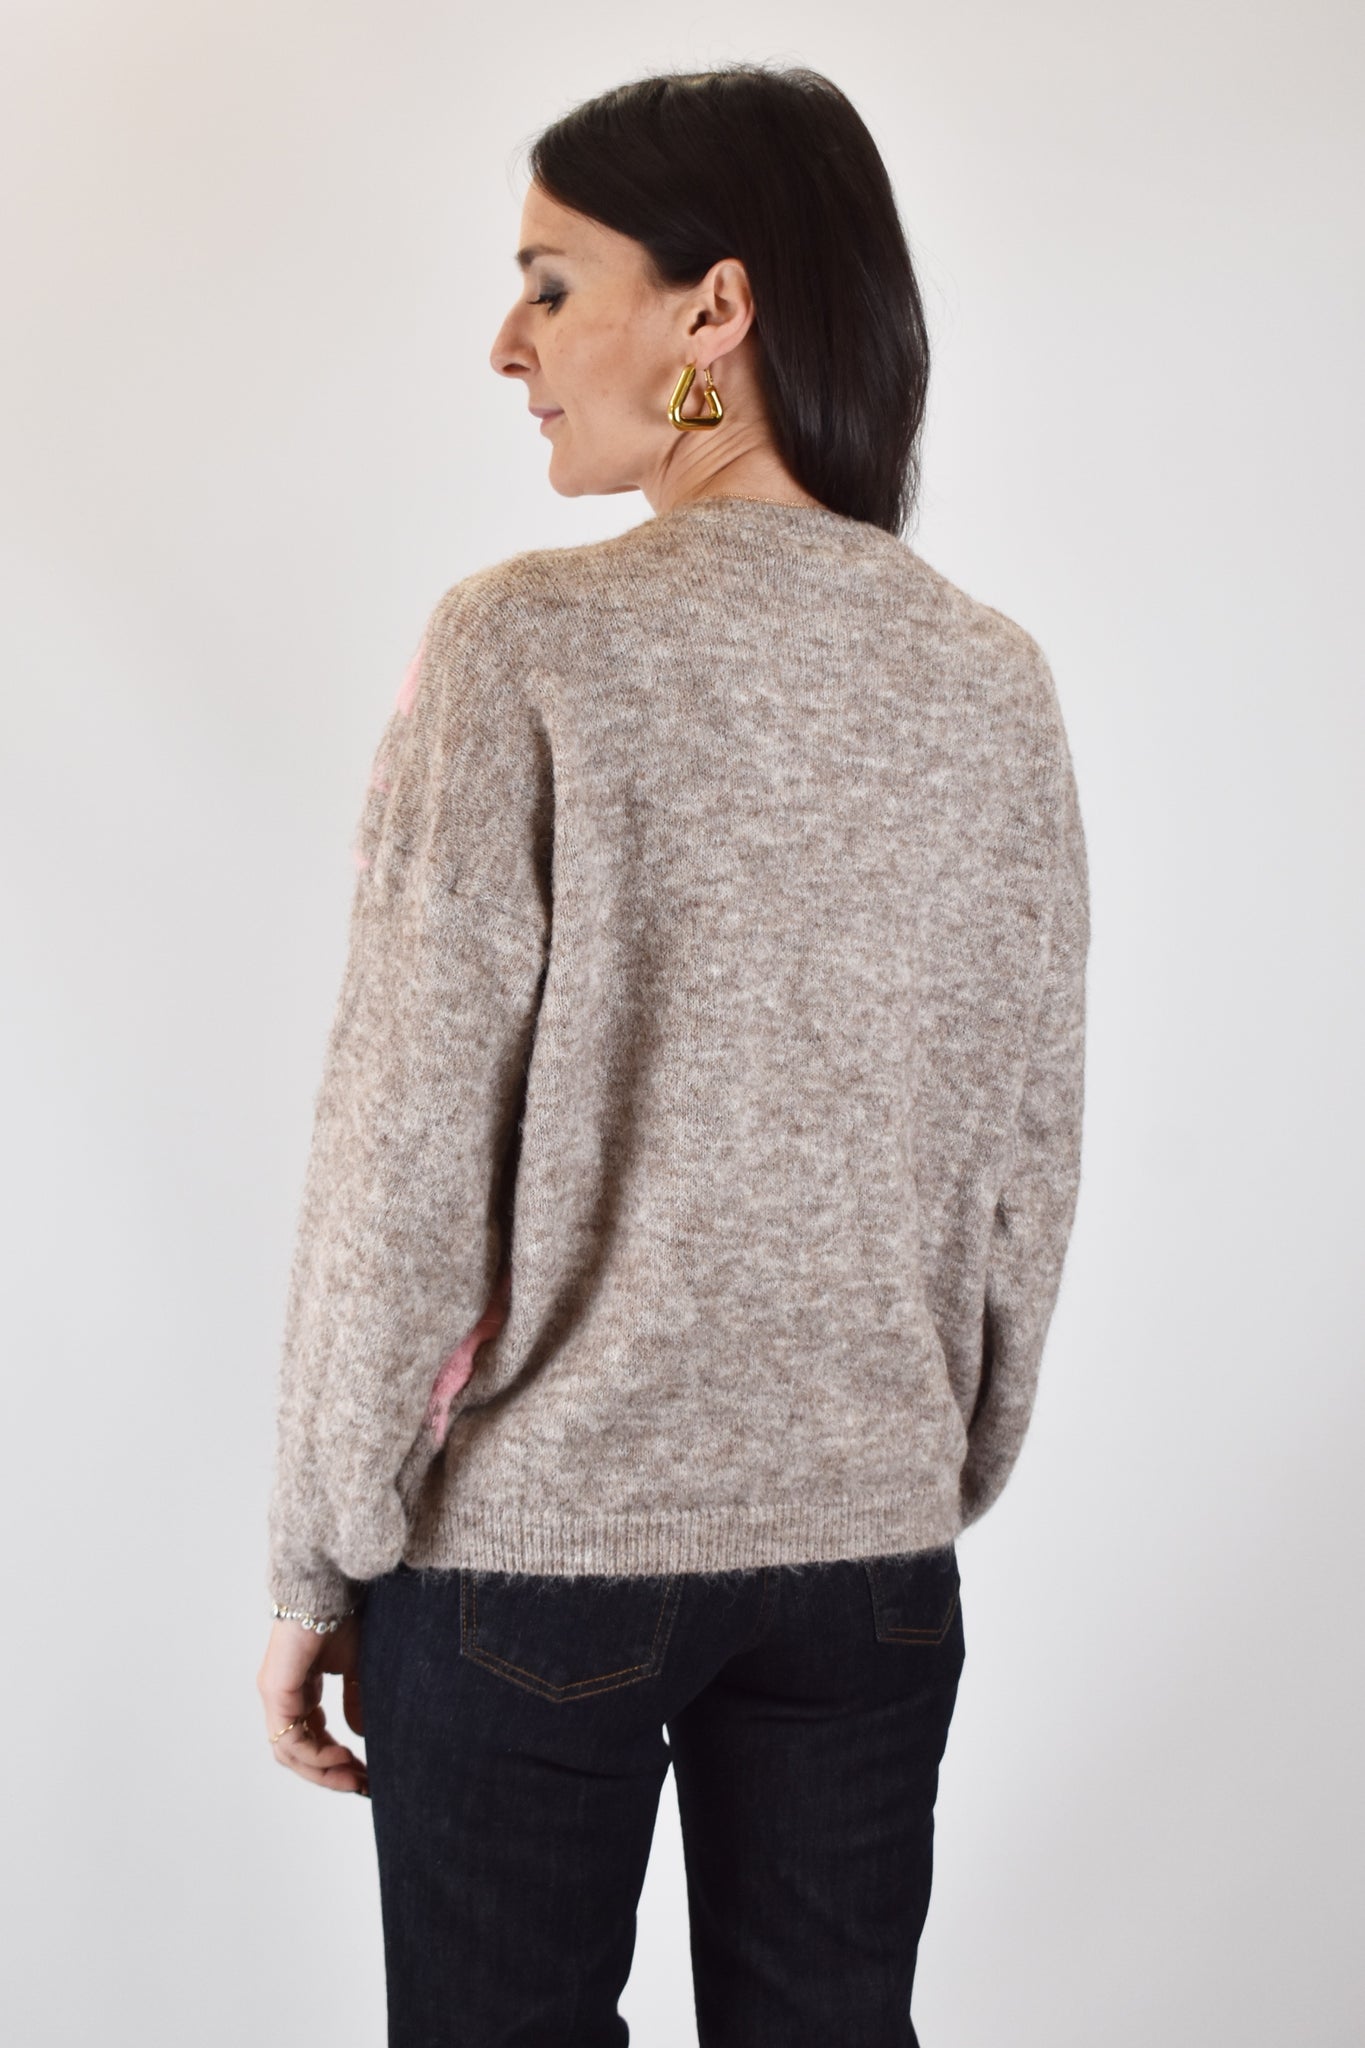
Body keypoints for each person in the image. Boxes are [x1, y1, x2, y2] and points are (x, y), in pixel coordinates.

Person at [256, 61, 1090, 2048]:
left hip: (540, 1557)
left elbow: (406, 1150)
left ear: (712, 310)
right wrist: (922, 1456)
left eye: (552, 285)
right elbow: (1022, 1146)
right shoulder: (986, 677)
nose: (507, 343)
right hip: (867, 1555)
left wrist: (321, 1546)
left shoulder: (529, 643)